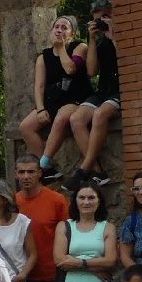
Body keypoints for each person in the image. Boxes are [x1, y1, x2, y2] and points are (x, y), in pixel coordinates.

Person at [15, 154, 72, 282]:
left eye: (31, 171)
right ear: (16, 175)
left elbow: (69, 234)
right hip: (23, 277)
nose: (26, 176)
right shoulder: (12, 203)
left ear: (40, 173)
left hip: (52, 275)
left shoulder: (57, 200)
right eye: (21, 172)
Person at [18, 15, 88, 176]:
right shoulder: (44, 56)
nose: (59, 30)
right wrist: (41, 109)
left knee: (60, 119)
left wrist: (61, 47)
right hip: (53, 100)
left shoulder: (79, 47)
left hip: (75, 97)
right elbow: (39, 85)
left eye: (64, 27)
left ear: (72, 33)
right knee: (26, 127)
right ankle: (48, 169)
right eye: (56, 27)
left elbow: (70, 69)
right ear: (51, 31)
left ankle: (42, 165)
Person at [67, 0, 120, 187]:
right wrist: (92, 38)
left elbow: (127, 61)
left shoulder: (125, 35)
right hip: (103, 90)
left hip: (121, 89)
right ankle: (98, 171)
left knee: (99, 114)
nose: (101, 22)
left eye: (105, 17)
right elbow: (91, 71)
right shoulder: (99, 42)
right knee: (76, 119)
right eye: (97, 19)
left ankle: (84, 168)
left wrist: (113, 35)